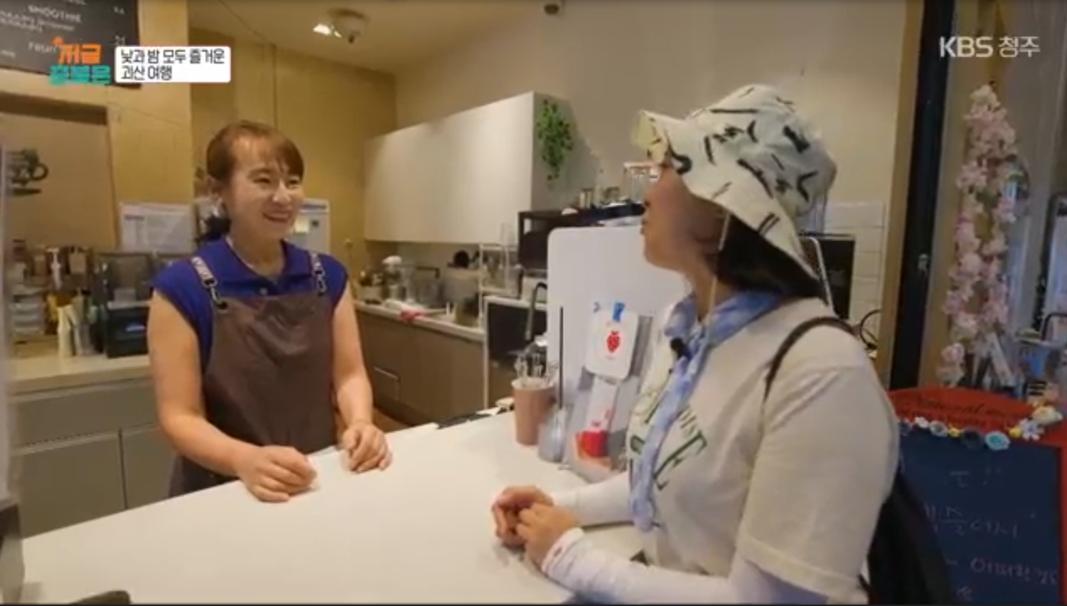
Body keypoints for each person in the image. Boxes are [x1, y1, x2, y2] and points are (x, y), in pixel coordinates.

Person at [490, 85, 898, 603]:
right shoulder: (686, 329)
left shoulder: (822, 374)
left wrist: (569, 556)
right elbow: (661, 481)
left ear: (721, 207)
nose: (647, 192)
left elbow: (769, 599)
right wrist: (560, 506)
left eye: (666, 168)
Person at [149, 121, 390, 502]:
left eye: (292, 182)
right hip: (224, 488)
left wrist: (360, 422)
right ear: (218, 191)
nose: (283, 197)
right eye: (264, 180)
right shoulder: (182, 287)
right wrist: (242, 459)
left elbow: (349, 374)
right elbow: (179, 417)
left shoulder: (327, 275)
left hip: (314, 476)